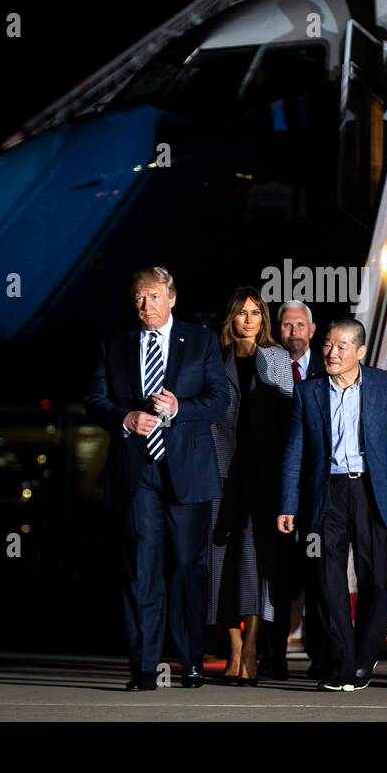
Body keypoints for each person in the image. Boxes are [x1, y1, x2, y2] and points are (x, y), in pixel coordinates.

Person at [85, 266, 229, 691]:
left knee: (187, 569)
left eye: (151, 296)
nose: (144, 305)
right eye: (137, 298)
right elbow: (94, 399)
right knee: (141, 572)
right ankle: (144, 668)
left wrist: (180, 408)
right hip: (137, 472)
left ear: (171, 298)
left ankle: (191, 661)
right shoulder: (115, 344)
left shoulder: (200, 340)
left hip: (187, 471)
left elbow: (219, 398)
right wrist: (124, 417)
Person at [278, 317, 387, 691]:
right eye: (327, 344)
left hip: (373, 492)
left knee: (376, 580)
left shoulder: (386, 386)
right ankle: (342, 661)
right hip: (327, 494)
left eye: (342, 346)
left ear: (360, 351)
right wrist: (288, 504)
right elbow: (296, 452)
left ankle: (364, 657)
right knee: (327, 581)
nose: (331, 352)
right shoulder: (308, 391)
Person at [208, 288, 294, 685]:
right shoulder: (213, 354)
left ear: (264, 318)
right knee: (219, 562)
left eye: (255, 312)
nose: (248, 319)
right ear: (231, 317)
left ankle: (254, 644)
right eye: (241, 312)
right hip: (218, 473)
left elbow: (288, 418)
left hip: (261, 476)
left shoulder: (276, 358)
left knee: (255, 563)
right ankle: (234, 647)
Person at [270, 299, 328, 680]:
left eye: (299, 325)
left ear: (312, 329)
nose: (293, 332)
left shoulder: (331, 366)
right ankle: (273, 658)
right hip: (275, 488)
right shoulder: (266, 365)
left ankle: (321, 658)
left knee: (321, 575)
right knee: (277, 578)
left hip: (321, 488)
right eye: (286, 326)